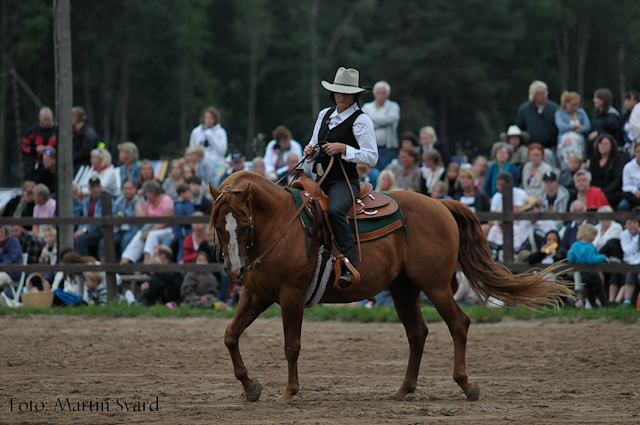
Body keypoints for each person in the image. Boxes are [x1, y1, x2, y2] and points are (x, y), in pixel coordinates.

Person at [303, 67, 378, 286]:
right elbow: (315, 144)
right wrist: (310, 152)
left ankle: (348, 264)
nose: (341, 96)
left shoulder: (361, 120)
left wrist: (345, 149)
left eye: (345, 92)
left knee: (335, 210)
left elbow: (372, 157)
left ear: (354, 95)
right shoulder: (324, 114)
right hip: (319, 179)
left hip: (344, 181)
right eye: (338, 91)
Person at [120, 180, 174, 264]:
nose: (145, 195)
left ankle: (147, 262)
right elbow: (139, 217)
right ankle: (125, 260)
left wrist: (149, 231)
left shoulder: (166, 200)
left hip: (166, 229)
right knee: (139, 236)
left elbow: (165, 222)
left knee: (151, 235)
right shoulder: (148, 202)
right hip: (150, 228)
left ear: (152, 192)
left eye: (145, 193)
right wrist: (139, 197)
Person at [567, 224, 609, 309]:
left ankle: (593, 304)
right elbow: (591, 260)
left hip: (582, 273)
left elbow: (570, 259)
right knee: (598, 289)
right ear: (588, 235)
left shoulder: (575, 245)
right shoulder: (589, 247)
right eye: (594, 236)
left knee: (588, 291)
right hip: (592, 273)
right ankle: (604, 303)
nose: (594, 238)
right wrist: (603, 257)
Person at [361, 80, 400, 170]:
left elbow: (390, 119)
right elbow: (363, 122)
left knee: (385, 172)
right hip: (369, 148)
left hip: (386, 149)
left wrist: (371, 120)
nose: (381, 96)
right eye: (378, 93)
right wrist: (382, 123)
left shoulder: (393, 106)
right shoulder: (367, 107)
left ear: (387, 94)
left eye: (383, 93)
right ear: (374, 94)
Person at [515, 80, 559, 152]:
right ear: (534, 96)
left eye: (545, 93)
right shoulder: (524, 110)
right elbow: (519, 129)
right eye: (541, 94)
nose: (544, 96)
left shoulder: (554, 109)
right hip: (529, 148)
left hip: (550, 148)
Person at [189, 107, 228, 183]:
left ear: (215, 119)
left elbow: (222, 151)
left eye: (211, 118)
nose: (208, 121)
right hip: (200, 165)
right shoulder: (196, 132)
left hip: (217, 166)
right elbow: (192, 149)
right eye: (207, 118)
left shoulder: (220, 132)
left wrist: (210, 135)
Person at [555, 91, 591, 170]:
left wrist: (576, 128)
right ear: (566, 104)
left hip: (579, 143)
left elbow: (587, 126)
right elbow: (561, 126)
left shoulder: (581, 113)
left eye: (577, 105)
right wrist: (575, 126)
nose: (575, 107)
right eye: (573, 105)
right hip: (566, 144)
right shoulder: (560, 113)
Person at [21, 106, 57, 182]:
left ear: (52, 117)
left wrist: (52, 150)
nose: (46, 122)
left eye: (48, 120)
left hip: (53, 166)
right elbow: (23, 147)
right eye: (44, 120)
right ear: (40, 118)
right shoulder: (32, 131)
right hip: (36, 165)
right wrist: (35, 150)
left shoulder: (57, 131)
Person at [514, 196, 556, 261]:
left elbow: (555, 243)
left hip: (546, 256)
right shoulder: (523, 224)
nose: (529, 212)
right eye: (527, 210)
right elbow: (518, 244)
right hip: (527, 259)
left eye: (531, 209)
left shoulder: (548, 223)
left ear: (538, 208)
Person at [588, 134, 625, 207]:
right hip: (594, 190)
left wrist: (603, 190)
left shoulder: (618, 159)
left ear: (612, 146)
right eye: (600, 143)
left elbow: (618, 179)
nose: (602, 146)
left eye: (606, 144)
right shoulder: (594, 160)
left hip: (611, 191)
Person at [587, 88, 619, 160]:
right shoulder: (596, 115)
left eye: (596, 98)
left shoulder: (612, 116)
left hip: (606, 152)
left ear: (603, 100)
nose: (594, 100)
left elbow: (612, 132)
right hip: (594, 151)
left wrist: (598, 133)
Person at [75, 176, 103, 258]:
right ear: (89, 188)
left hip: (100, 229)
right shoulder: (87, 201)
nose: (96, 190)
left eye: (97, 187)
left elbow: (98, 220)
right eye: (93, 187)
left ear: (101, 187)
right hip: (89, 228)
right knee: (75, 237)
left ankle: (84, 265)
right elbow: (84, 217)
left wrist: (84, 230)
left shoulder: (103, 200)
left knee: (81, 240)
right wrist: (80, 230)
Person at [165, 185, 195, 261]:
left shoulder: (188, 204)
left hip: (189, 231)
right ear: (181, 193)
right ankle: (181, 269)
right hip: (183, 233)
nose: (190, 194)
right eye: (188, 192)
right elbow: (179, 221)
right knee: (182, 251)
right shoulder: (178, 206)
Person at [111, 179, 140, 255]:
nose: (128, 191)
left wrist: (125, 215)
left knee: (125, 241)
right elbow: (114, 212)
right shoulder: (120, 200)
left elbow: (137, 215)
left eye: (130, 189)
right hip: (119, 228)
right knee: (106, 241)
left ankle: (124, 264)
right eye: (125, 189)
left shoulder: (139, 200)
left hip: (133, 228)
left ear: (135, 189)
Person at [71, 106, 101, 172]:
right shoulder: (73, 132)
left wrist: (71, 158)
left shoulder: (88, 133)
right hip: (75, 166)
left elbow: (86, 152)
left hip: (84, 168)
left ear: (75, 118)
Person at [619, 218, 640, 307]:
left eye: (634, 222)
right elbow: (627, 251)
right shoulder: (624, 234)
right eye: (629, 223)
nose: (632, 225)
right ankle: (626, 301)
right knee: (631, 272)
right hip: (629, 262)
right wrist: (637, 238)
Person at [0, 225, 23, 293]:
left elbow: (9, 260)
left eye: (1, 232)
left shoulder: (13, 242)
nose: (0, 234)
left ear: (5, 232)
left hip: (11, 273)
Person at [619, 142, 640, 211]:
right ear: (635, 153)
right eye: (638, 151)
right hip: (632, 195)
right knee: (622, 206)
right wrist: (635, 191)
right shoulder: (628, 167)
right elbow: (625, 186)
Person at [618, 91, 640, 156]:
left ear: (636, 100)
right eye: (625, 100)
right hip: (627, 148)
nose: (626, 103)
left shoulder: (637, 108)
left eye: (629, 100)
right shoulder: (624, 118)